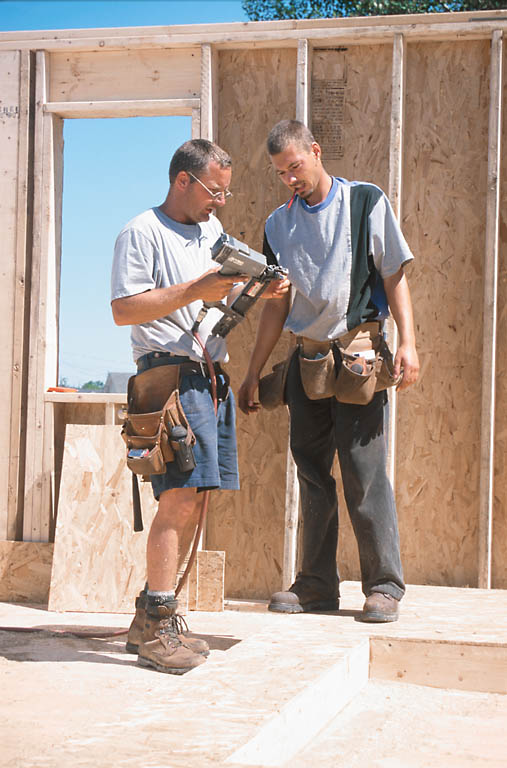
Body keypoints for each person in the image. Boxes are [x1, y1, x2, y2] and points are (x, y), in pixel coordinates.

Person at [111, 138, 289, 674]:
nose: (222, 202)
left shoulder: (211, 232)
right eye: (216, 191)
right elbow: (124, 309)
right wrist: (199, 287)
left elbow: (218, 296)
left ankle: (148, 619)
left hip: (206, 375)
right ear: (183, 181)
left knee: (191, 499)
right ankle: (158, 625)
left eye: (227, 192)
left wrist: (259, 288)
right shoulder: (141, 232)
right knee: (179, 497)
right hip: (168, 376)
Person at [239, 120, 419, 623]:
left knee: (363, 472)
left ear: (314, 152)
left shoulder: (364, 202)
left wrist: (408, 341)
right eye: (281, 173)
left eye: (294, 166)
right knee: (312, 473)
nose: (290, 178)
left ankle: (384, 585)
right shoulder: (278, 225)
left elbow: (393, 274)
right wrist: (253, 372)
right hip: (309, 360)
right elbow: (276, 305)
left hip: (358, 355)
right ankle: (316, 585)